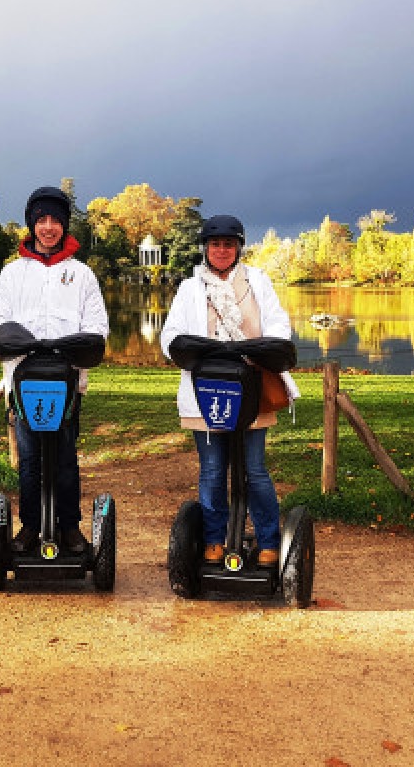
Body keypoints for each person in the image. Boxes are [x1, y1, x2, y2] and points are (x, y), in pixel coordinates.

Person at [160, 214, 300, 566]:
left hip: (251, 389)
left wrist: (269, 346)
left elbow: (279, 324)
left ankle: (268, 541)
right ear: (205, 248)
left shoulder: (258, 282)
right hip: (205, 390)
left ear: (238, 247)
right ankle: (213, 540)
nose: (222, 250)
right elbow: (170, 336)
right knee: (212, 470)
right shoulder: (190, 288)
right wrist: (188, 349)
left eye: (228, 243)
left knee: (254, 469)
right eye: (215, 244)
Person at [0, 186, 109, 555]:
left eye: (56, 220)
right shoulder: (12, 274)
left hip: (66, 378)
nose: (49, 227)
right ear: (32, 225)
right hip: (24, 381)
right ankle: (30, 527)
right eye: (42, 220)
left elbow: (98, 326)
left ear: (65, 226)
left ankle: (69, 527)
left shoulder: (82, 274)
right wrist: (17, 341)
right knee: (31, 459)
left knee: (66, 456)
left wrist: (76, 348)